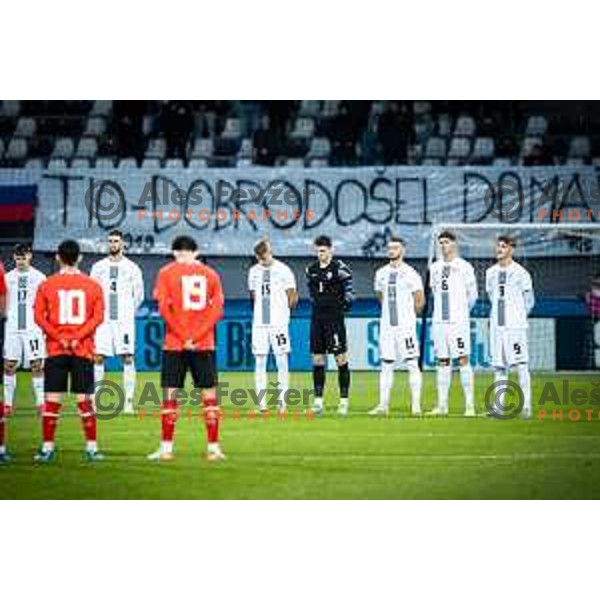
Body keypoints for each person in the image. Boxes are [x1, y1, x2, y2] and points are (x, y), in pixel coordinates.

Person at [149, 235, 225, 462]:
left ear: (174, 252)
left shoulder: (166, 272)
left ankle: (166, 449)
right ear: (197, 251)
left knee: (170, 394)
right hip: (204, 343)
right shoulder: (211, 274)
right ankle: (213, 448)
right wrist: (196, 336)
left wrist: (184, 337)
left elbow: (163, 309)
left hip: (175, 343)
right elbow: (218, 310)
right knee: (209, 395)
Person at [33, 240, 105, 462]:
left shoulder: (47, 284)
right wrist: (75, 338)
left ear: (57, 257)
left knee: (52, 399)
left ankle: (47, 448)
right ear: (80, 257)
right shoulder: (93, 285)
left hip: (56, 349)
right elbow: (98, 317)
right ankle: (92, 448)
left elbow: (38, 317)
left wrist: (60, 338)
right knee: (84, 400)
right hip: (82, 349)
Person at [369, 237, 424, 416]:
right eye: (389, 248)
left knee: (412, 363)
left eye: (395, 248)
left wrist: (409, 318)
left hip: (405, 327)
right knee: (386, 364)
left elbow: (419, 299)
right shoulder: (381, 273)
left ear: (403, 250)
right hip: (387, 327)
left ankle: (416, 405)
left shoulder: (411, 273)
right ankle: (383, 405)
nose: (391, 250)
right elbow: (380, 295)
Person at [91, 229, 144, 415]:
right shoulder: (98, 267)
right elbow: (92, 293)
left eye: (116, 241)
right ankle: (96, 401)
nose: (113, 244)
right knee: (98, 357)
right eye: (110, 241)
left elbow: (138, 296)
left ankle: (128, 402)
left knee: (128, 357)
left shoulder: (132, 268)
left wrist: (127, 312)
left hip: (124, 321)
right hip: (103, 320)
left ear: (122, 244)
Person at [429, 230, 478, 417]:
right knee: (442, 360)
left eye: (446, 242)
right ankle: (442, 406)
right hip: (440, 321)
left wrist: (462, 314)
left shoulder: (464, 266)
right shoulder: (435, 267)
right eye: (440, 242)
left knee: (463, 359)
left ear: (454, 244)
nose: (443, 246)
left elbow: (472, 296)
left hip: (458, 322)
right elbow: (434, 292)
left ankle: (470, 406)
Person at [486, 236, 535, 419]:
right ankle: (499, 408)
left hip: (515, 327)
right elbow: (492, 297)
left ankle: (527, 407)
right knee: (499, 367)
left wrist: (518, 317)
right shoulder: (490, 272)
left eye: (503, 246)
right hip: (497, 327)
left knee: (521, 365)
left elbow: (530, 300)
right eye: (497, 246)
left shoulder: (521, 273)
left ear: (511, 249)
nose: (499, 249)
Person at [305, 235, 354, 416]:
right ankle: (318, 401)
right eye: (318, 251)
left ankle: (343, 401)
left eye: (324, 251)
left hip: (334, 318)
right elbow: (312, 290)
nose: (321, 254)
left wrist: (345, 304)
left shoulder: (340, 268)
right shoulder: (311, 269)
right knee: (317, 358)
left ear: (330, 250)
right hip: (317, 318)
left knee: (340, 358)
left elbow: (349, 289)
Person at [248, 239, 297, 412]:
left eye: (266, 254)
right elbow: (254, 295)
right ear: (257, 257)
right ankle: (262, 404)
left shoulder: (283, 270)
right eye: (260, 257)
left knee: (281, 360)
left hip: (279, 324)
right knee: (260, 361)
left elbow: (292, 296)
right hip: (260, 324)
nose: (264, 259)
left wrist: (283, 316)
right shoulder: (253, 272)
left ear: (270, 251)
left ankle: (282, 402)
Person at [3, 244, 46, 417]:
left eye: (24, 257)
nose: (21, 261)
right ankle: (7, 403)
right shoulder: (7, 278)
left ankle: (41, 403)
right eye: (18, 258)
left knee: (37, 364)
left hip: (33, 328)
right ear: (14, 258)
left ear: (30, 256)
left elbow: (46, 303)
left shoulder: (39, 277)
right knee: (9, 365)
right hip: (12, 327)